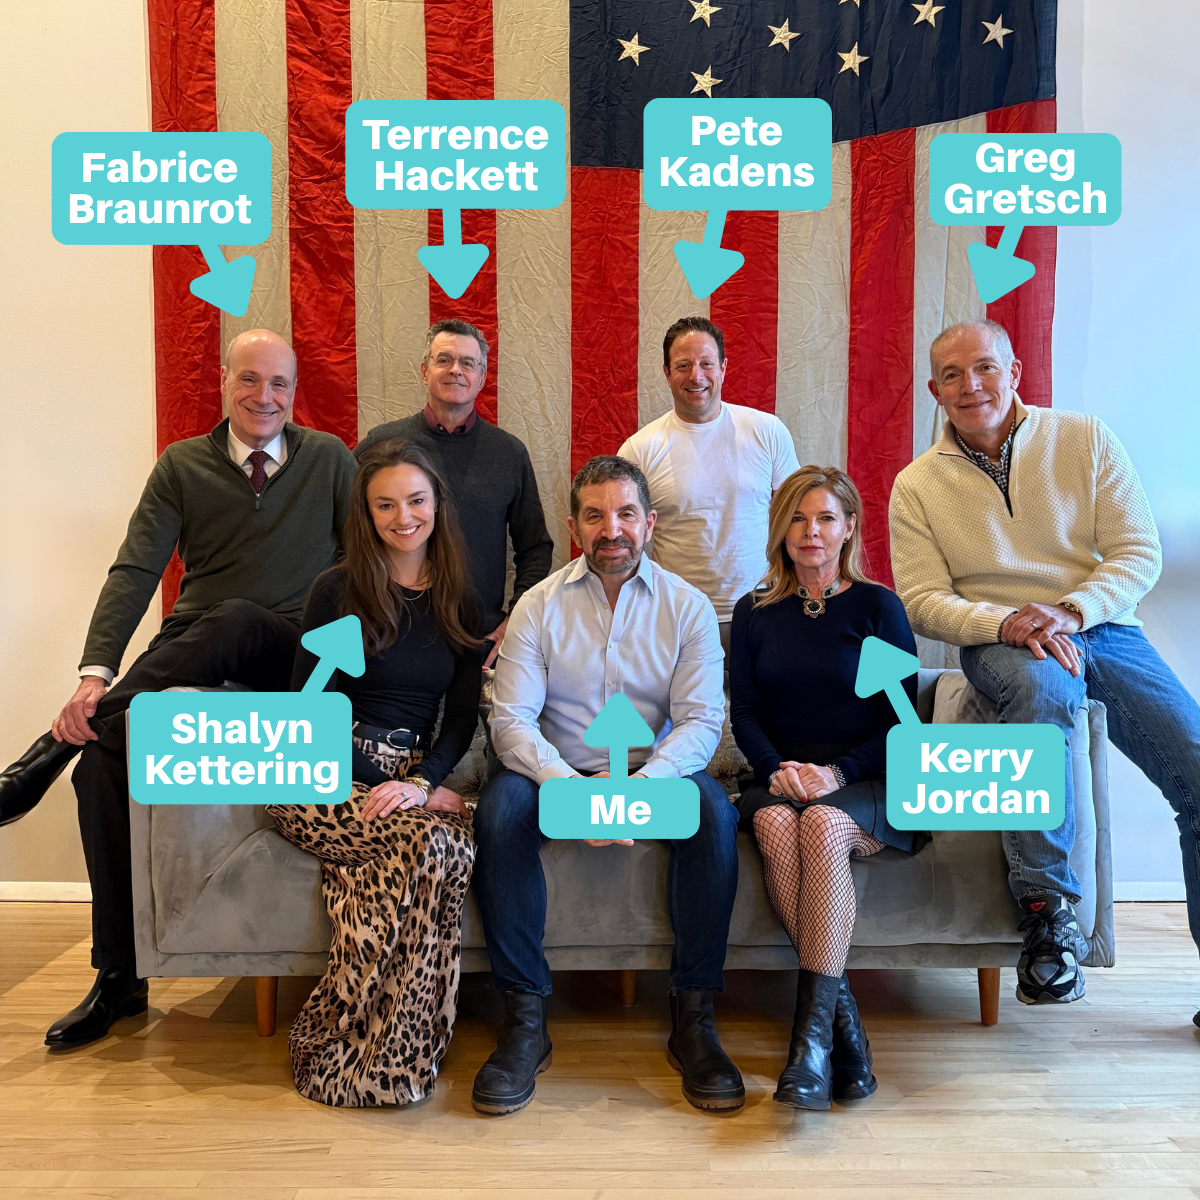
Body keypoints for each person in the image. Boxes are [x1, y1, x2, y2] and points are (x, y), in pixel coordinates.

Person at [0, 330, 357, 1049]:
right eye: (249, 379)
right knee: (103, 763)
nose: (264, 396)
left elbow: (365, 562)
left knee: (237, 618)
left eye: (279, 383)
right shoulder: (181, 465)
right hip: (197, 645)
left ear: (295, 391)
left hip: (294, 650)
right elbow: (136, 570)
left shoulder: (329, 460)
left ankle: (43, 756)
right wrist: (95, 675)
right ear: (224, 381)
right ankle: (120, 976)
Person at [890, 318, 1200, 1015]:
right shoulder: (916, 485)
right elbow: (922, 601)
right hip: (999, 639)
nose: (971, 385)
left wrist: (1069, 610)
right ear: (935, 391)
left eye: (985, 367)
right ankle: (1047, 916)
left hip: (1101, 626)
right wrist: (1006, 622)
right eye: (952, 375)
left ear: (1014, 372)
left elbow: (1138, 551)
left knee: (1197, 764)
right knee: (1044, 688)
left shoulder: (1084, 439)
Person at [471, 456, 740, 1115]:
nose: (610, 529)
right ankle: (524, 1019)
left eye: (625, 514)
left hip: (655, 772)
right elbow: (511, 721)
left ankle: (695, 1019)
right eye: (594, 516)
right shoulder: (538, 606)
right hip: (554, 772)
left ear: (649, 523)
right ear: (574, 527)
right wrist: (574, 794)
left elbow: (701, 722)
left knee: (713, 812)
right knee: (499, 811)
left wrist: (638, 791)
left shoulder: (689, 608)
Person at [267, 439, 483, 1106]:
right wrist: (382, 784)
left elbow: (461, 718)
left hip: (407, 779)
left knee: (444, 845)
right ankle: (346, 1045)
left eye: (415, 500)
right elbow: (308, 714)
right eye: (384, 505)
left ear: (437, 505)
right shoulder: (335, 591)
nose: (402, 517)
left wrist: (421, 784)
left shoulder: (461, 598)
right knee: (429, 841)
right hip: (320, 774)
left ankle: (396, 1052)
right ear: (366, 513)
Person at [731, 465, 924, 1110]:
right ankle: (842, 1034)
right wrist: (775, 770)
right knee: (775, 819)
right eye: (797, 518)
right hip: (779, 779)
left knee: (817, 822)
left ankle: (808, 1045)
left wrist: (836, 774)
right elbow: (745, 713)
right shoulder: (755, 612)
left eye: (824, 519)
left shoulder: (876, 608)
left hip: (866, 779)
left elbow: (902, 721)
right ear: (780, 530)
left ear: (848, 529)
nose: (810, 531)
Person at [355, 319, 554, 668]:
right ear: (424, 371)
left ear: (482, 377)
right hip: (392, 632)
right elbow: (345, 529)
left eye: (467, 363)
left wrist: (516, 619)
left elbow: (535, 548)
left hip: (478, 638)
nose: (455, 371)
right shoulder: (381, 445)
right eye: (443, 360)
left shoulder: (508, 453)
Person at [618, 315, 799, 654]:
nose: (696, 376)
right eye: (683, 365)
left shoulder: (768, 432)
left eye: (706, 363)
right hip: (676, 618)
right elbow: (625, 540)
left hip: (766, 610)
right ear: (666, 373)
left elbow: (795, 520)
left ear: (723, 368)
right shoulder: (638, 451)